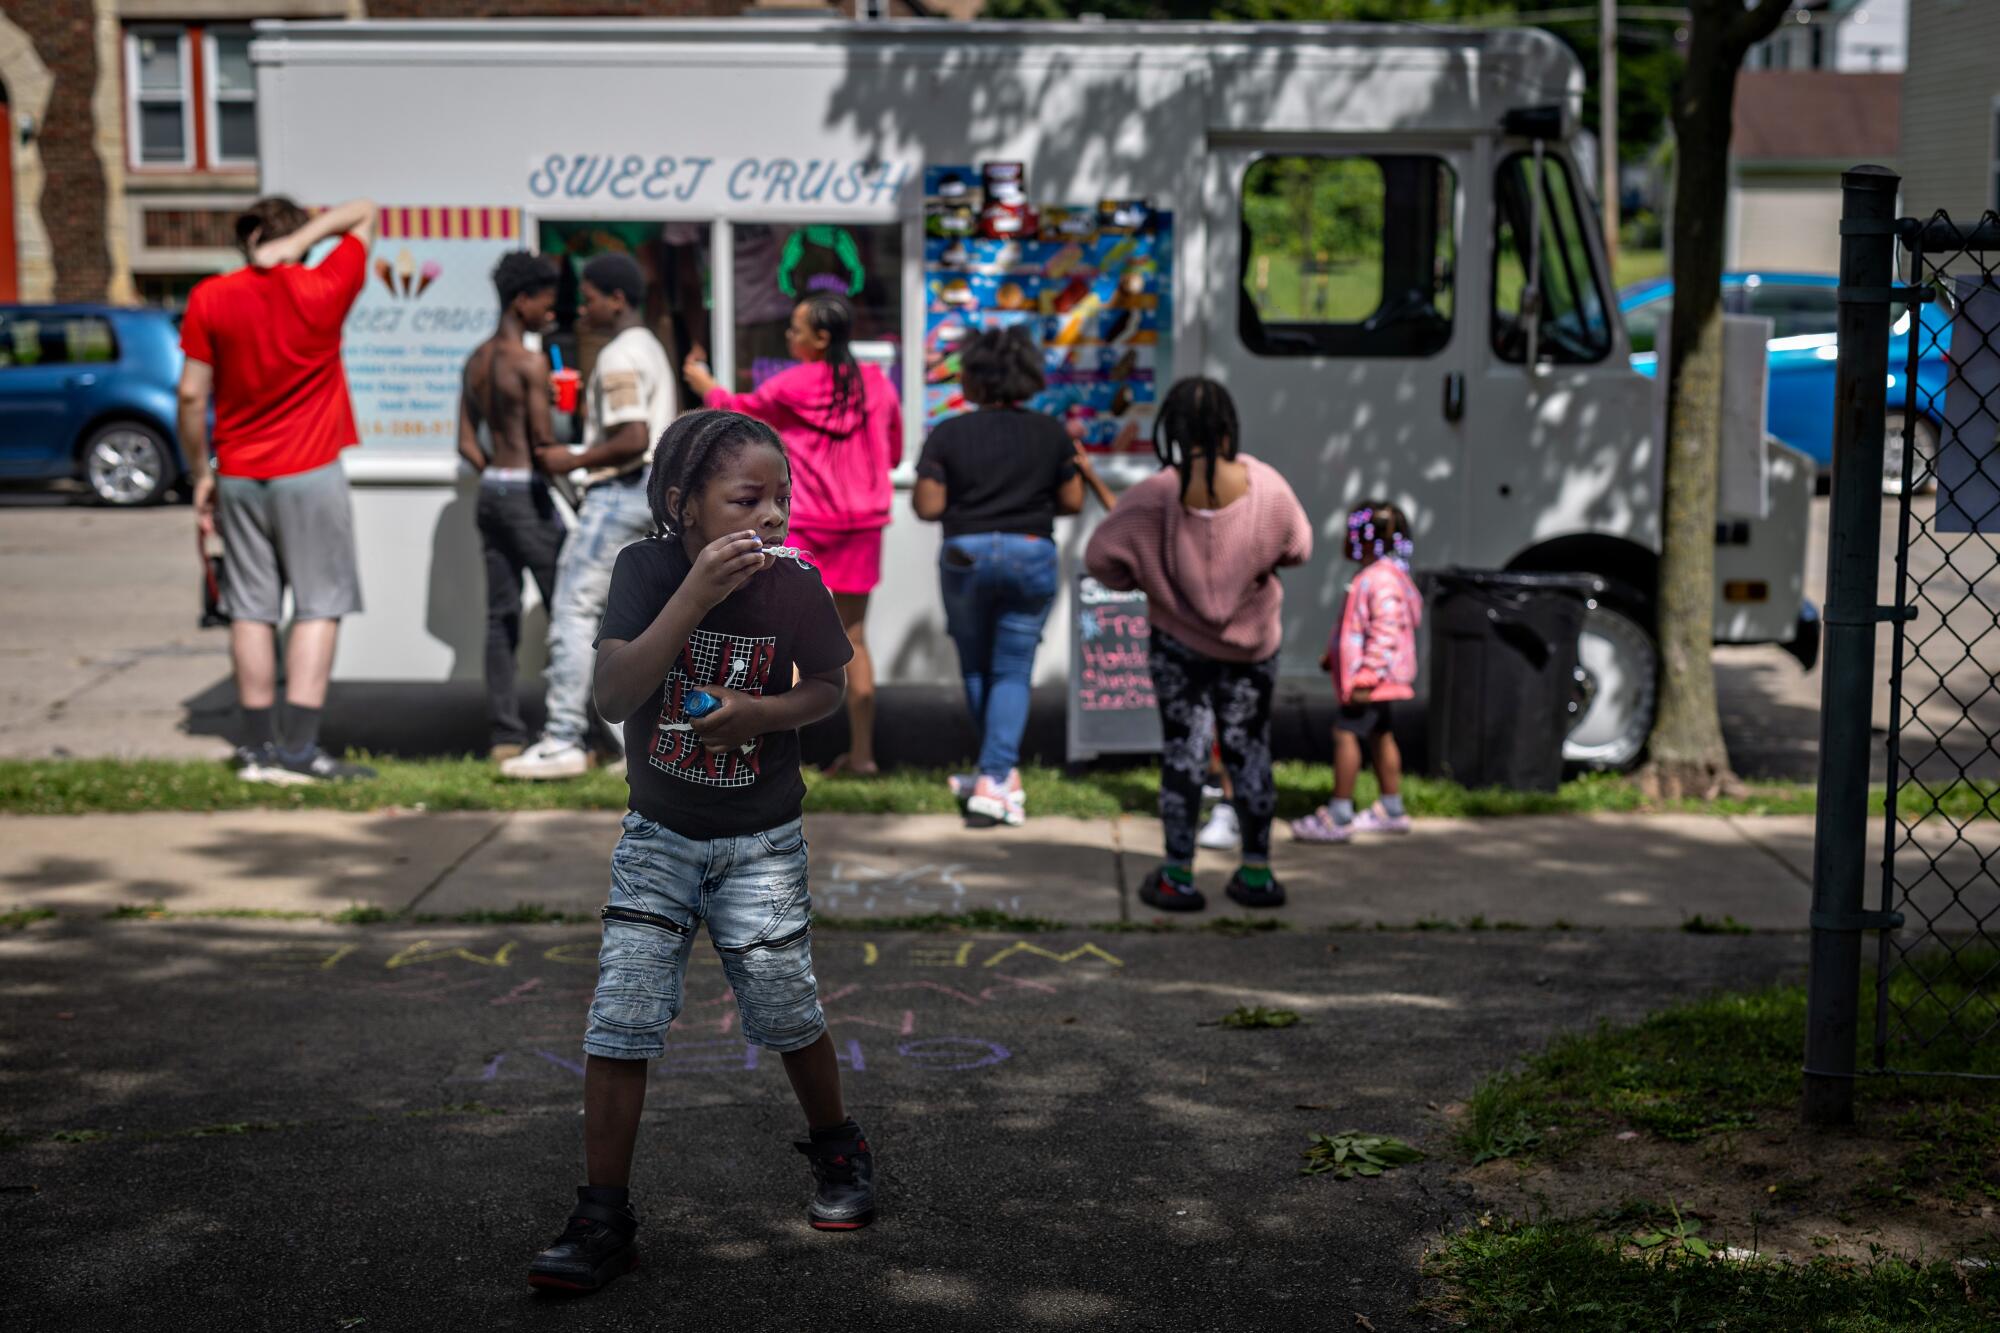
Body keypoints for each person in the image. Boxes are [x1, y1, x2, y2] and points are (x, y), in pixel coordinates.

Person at [527, 410, 871, 1294]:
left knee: (787, 1007)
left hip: (761, 842)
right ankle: (603, 1215)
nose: (772, 517)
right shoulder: (645, 570)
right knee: (622, 1016)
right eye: (747, 499)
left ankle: (839, 1150)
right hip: (659, 837)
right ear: (683, 505)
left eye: (782, 499)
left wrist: (761, 713)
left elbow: (828, 688)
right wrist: (694, 598)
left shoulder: (796, 582)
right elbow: (610, 694)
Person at [1083, 377, 1311, 913]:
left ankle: (1177, 877)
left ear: (1174, 431)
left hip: (1176, 646)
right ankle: (1256, 875)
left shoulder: (1155, 495)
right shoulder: (1268, 486)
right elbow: (1298, 547)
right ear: (1230, 426)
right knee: (1249, 750)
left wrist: (1151, 583)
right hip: (1252, 647)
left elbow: (1101, 557)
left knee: (1183, 753)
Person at [177, 196, 377, 784]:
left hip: (239, 472)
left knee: (251, 610)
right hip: (311, 469)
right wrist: (299, 244)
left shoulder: (211, 296)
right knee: (318, 607)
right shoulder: (322, 286)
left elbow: (191, 396)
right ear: (299, 237)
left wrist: (201, 475)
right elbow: (364, 212)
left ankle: (256, 751)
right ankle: (298, 751)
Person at [682, 294, 902, 775]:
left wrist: (704, 384)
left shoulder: (790, 386)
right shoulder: (879, 386)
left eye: (796, 329)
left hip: (810, 526)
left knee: (787, 640)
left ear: (821, 339)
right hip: (863, 527)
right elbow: (894, 450)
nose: (788, 336)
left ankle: (782, 756)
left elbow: (737, 417)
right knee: (854, 639)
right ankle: (863, 755)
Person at [912, 326, 1110, 826]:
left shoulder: (948, 433)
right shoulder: (1050, 433)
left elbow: (928, 506)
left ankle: (995, 774)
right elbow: (1069, 501)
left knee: (977, 668)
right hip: (1030, 552)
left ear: (974, 379)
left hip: (965, 556)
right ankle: (996, 775)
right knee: (1011, 669)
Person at [503, 254, 675, 781]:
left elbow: (632, 436)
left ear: (617, 299)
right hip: (645, 496)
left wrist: (571, 458)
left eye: (592, 296)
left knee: (576, 612)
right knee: (632, 624)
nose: (583, 306)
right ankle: (638, 745)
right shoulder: (648, 347)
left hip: (618, 493)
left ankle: (561, 739)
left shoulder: (620, 356)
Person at [459, 252, 565, 763]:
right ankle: (571, 730)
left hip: (491, 494)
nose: (552, 311)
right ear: (523, 302)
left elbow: (465, 443)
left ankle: (505, 735)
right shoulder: (529, 363)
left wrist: (494, 475)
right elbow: (544, 445)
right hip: (525, 492)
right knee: (566, 610)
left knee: (500, 616)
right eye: (546, 303)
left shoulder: (476, 359)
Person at [1292, 502, 1422, 843]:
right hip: (1377, 678)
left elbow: (1385, 631)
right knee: (1380, 734)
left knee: (1345, 734)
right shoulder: (1387, 576)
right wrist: (1333, 656)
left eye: (1351, 533)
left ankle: (1338, 815)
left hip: (1370, 682)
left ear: (1365, 540)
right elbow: (1356, 628)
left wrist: (1366, 675)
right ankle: (1391, 809)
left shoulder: (1378, 579)